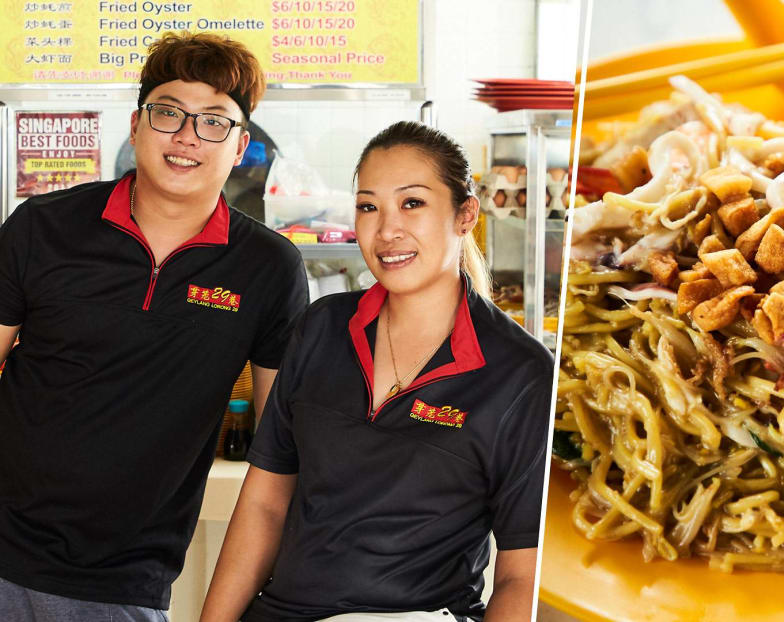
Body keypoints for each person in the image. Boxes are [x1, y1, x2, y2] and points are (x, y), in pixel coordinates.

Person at [0, 32, 308, 621]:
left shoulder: (267, 266)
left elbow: (278, 453)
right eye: (169, 113)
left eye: (214, 122)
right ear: (137, 126)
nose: (189, 136)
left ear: (241, 146)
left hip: (126, 581)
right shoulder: (43, 228)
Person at [200, 121, 554, 622]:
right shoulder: (321, 328)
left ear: (465, 214)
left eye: (412, 203)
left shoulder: (520, 373)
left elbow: (522, 574)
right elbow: (264, 503)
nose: (387, 230)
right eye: (369, 206)